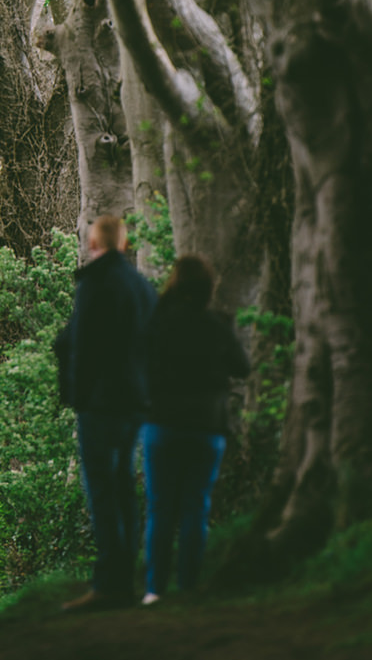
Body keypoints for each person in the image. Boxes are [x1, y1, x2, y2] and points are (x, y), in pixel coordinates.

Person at [56, 213, 157, 608]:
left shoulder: (95, 283)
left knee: (102, 490)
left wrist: (76, 397)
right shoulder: (142, 286)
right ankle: (124, 578)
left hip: (101, 402)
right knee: (122, 489)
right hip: (136, 401)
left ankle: (108, 584)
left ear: (94, 245)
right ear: (125, 245)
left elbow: (84, 346)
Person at [140, 255, 249, 603]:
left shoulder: (157, 322)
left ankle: (154, 589)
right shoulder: (217, 324)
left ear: (174, 282)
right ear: (208, 287)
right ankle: (188, 586)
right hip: (207, 426)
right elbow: (243, 367)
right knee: (195, 508)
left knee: (160, 509)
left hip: (162, 424)